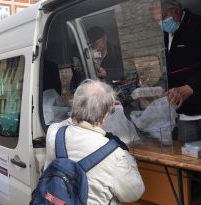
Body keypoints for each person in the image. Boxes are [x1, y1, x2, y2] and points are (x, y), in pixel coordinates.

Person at [44, 79, 145, 204]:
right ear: (105, 117)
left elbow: (67, 123)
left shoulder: (54, 133)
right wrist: (127, 156)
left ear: (74, 105)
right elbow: (134, 193)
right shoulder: (115, 155)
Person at [151, 0, 201, 142]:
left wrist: (190, 87)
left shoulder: (197, 25)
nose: (161, 22)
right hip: (184, 116)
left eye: (163, 15)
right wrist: (156, 88)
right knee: (186, 160)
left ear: (177, 9)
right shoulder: (167, 34)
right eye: (157, 19)